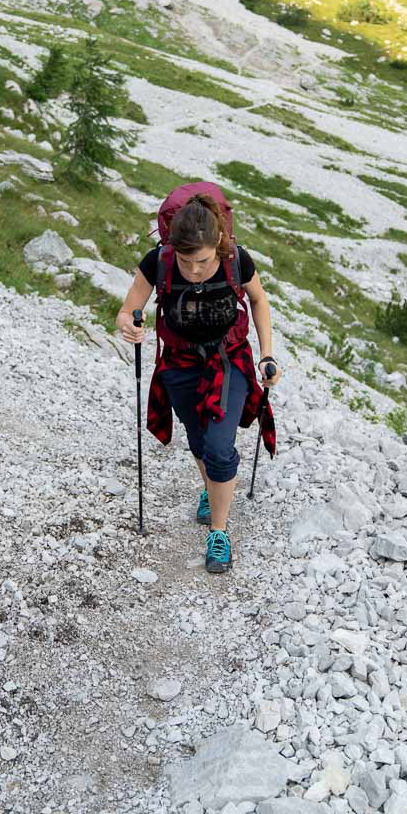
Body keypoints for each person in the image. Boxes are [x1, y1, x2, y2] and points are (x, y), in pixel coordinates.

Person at [117, 191, 282, 573]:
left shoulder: (236, 260)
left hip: (229, 359)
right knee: (197, 440)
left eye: (203, 261)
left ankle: (219, 533)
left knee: (220, 447)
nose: (193, 270)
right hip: (179, 364)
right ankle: (212, 490)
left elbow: (259, 301)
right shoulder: (158, 262)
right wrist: (131, 327)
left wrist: (267, 353)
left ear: (219, 245)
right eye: (186, 261)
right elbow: (127, 311)